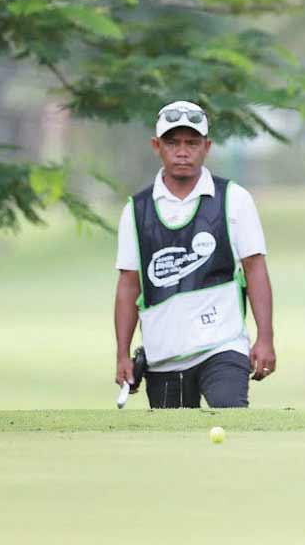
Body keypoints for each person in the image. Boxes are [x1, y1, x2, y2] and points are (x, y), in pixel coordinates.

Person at [113, 100, 276, 408]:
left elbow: (255, 270)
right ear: (156, 146)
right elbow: (128, 285)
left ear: (207, 147)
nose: (183, 151)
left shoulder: (234, 199)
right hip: (164, 357)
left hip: (222, 346)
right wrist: (122, 353)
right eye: (173, 143)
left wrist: (265, 338)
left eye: (192, 142)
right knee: (171, 450)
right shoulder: (136, 210)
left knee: (231, 419)